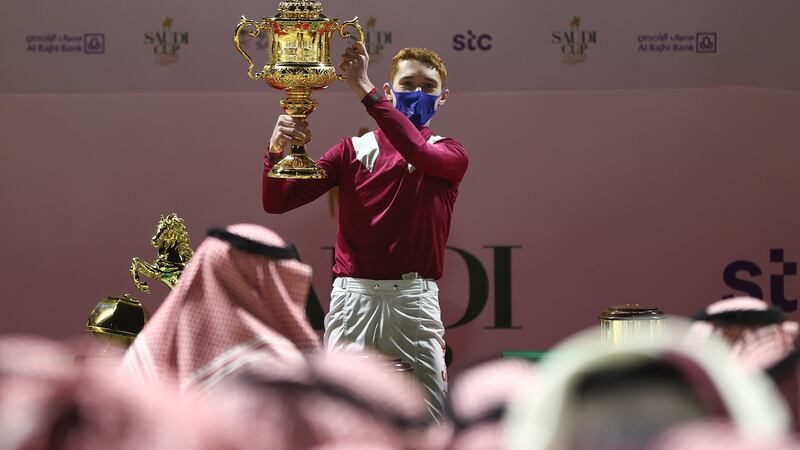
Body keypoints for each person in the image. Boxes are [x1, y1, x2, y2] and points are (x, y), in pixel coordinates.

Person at [262, 43, 468, 418]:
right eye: (408, 84)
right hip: (353, 298)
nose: (417, 93)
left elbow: (417, 152)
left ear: (443, 98)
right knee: (337, 417)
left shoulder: (449, 153)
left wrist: (364, 90)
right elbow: (279, 201)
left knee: (429, 421)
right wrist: (275, 151)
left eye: (428, 87)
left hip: (414, 300)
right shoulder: (351, 151)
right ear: (390, 91)